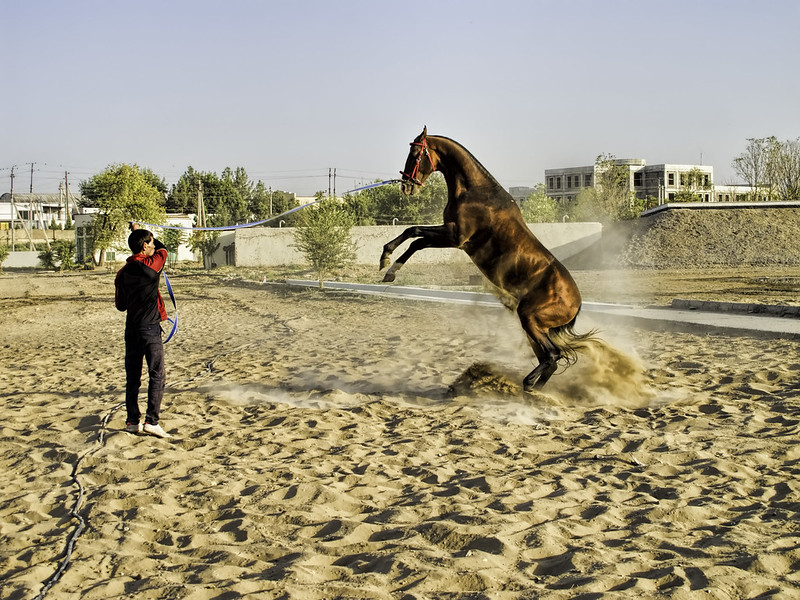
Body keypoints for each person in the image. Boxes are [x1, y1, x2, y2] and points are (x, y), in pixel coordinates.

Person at [114, 223, 173, 438]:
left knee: (133, 378)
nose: (153, 245)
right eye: (150, 243)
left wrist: (138, 234)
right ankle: (151, 421)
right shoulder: (151, 266)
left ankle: (132, 421)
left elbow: (120, 305)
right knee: (157, 374)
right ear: (145, 246)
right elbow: (163, 250)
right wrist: (144, 233)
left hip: (131, 329)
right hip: (149, 329)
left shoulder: (121, 273)